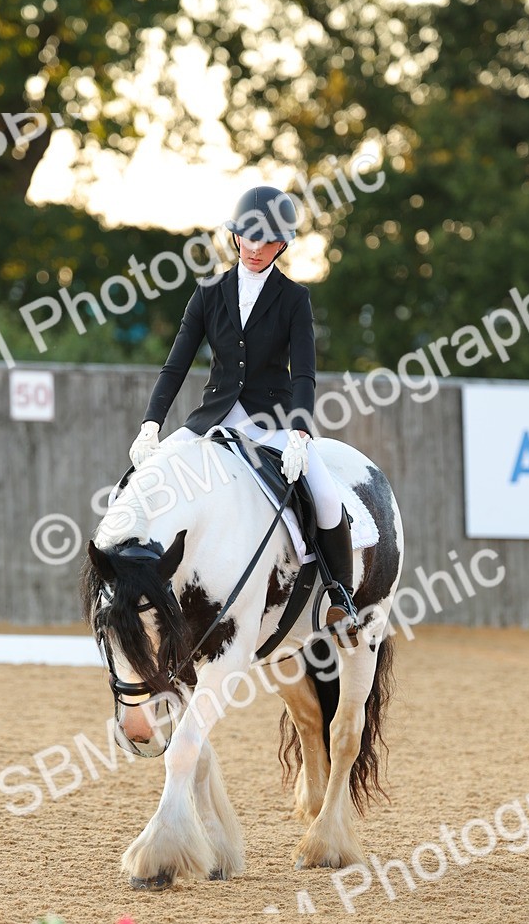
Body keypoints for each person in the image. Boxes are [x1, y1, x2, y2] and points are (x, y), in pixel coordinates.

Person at [127, 185, 358, 632]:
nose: (255, 249)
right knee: (144, 479)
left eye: (267, 241)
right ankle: (126, 582)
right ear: (235, 236)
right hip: (212, 418)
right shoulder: (207, 293)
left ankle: (341, 597)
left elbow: (303, 374)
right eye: (248, 238)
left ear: (283, 244)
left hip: (272, 420)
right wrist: (150, 424)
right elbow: (175, 365)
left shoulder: (294, 298)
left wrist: (300, 431)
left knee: (326, 497)